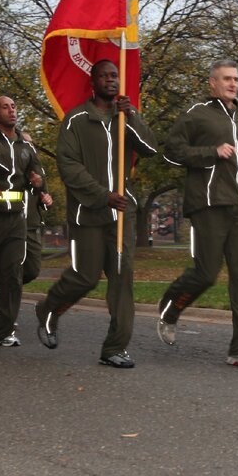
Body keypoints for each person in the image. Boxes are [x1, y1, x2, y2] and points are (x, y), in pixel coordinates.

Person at [155, 59, 238, 369]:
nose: (233, 83)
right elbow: (171, 151)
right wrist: (211, 152)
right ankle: (170, 309)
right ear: (212, 83)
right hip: (209, 205)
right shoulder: (196, 114)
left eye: (237, 79)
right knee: (206, 273)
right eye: (227, 79)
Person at [34, 60, 158, 368]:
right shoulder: (76, 120)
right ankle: (49, 309)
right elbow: (69, 166)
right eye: (104, 76)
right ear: (93, 81)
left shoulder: (124, 117)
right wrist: (102, 196)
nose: (111, 80)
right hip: (88, 213)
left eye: (114, 75)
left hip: (122, 214)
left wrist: (131, 116)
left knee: (121, 278)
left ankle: (114, 347)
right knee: (85, 277)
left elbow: (150, 149)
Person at [0, 96, 51, 347]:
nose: (11, 111)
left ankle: (5, 331)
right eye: (5, 107)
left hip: (17, 217)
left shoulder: (26, 146)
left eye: (14, 106)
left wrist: (38, 183)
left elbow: (39, 174)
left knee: (14, 273)